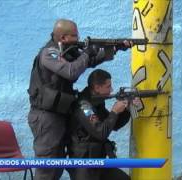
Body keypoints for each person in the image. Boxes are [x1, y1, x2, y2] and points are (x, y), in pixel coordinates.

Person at [27, 19, 129, 180]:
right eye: (74, 36)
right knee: (48, 167)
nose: (78, 38)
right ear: (63, 38)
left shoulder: (67, 51)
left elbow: (89, 61)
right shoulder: (49, 53)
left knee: (57, 167)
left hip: (59, 115)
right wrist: (87, 52)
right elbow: (71, 71)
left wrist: (115, 48)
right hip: (46, 117)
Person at [68, 69, 133, 180]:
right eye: (108, 86)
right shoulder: (84, 106)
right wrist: (115, 111)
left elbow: (114, 125)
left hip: (98, 161)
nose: (111, 89)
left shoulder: (97, 102)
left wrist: (127, 109)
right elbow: (100, 132)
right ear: (97, 88)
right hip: (83, 164)